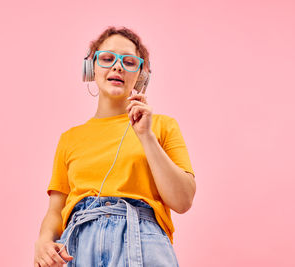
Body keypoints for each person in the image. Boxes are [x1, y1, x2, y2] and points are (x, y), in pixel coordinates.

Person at [34, 26, 196, 267]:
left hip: (141, 242)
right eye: (107, 59)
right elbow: (56, 211)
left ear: (142, 75)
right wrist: (43, 241)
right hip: (78, 247)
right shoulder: (70, 138)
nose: (118, 67)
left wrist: (146, 137)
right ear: (91, 68)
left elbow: (183, 200)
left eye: (129, 62)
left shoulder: (161, 126)